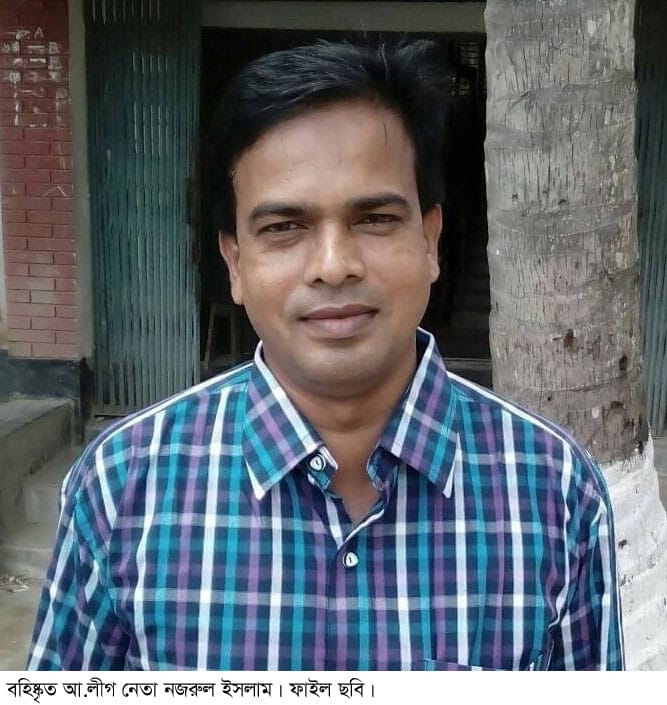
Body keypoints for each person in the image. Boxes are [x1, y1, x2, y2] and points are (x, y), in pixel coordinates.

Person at [28, 40, 624, 671]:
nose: (334, 266)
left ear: (430, 241)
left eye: (374, 219)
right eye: (285, 228)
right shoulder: (122, 487)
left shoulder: (555, 492)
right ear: (235, 262)